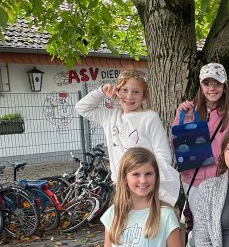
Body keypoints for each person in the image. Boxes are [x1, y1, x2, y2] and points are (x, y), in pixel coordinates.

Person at [172, 62, 229, 247]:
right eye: (207, 83)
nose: (212, 88)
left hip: (221, 181)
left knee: (215, 236)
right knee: (206, 231)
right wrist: (180, 117)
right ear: (201, 85)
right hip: (194, 180)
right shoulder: (187, 112)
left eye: (217, 83)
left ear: (224, 86)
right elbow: (175, 144)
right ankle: (193, 243)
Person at [76, 69, 181, 206]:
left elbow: (162, 155)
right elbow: (82, 107)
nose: (129, 96)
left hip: (144, 187)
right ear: (117, 92)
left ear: (144, 95)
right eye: (124, 90)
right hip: (121, 186)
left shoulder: (149, 118)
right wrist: (102, 92)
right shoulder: (110, 117)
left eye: (136, 91)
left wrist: (151, 183)